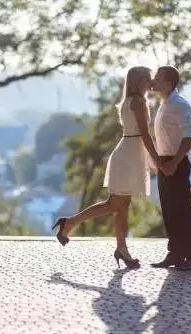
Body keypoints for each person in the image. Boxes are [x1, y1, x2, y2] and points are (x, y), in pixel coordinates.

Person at [52, 66, 161, 268]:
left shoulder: (130, 101)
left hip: (128, 153)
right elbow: (145, 135)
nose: (150, 82)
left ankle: (122, 248)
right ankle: (70, 223)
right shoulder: (137, 102)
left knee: (121, 206)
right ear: (138, 82)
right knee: (114, 204)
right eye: (147, 78)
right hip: (128, 156)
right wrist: (157, 159)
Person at [149, 65, 191, 270]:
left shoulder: (180, 104)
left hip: (176, 163)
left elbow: (189, 137)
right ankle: (175, 254)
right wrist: (161, 163)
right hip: (164, 162)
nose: (153, 80)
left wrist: (174, 162)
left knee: (183, 210)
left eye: (157, 77)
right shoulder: (164, 103)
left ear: (169, 83)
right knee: (169, 210)